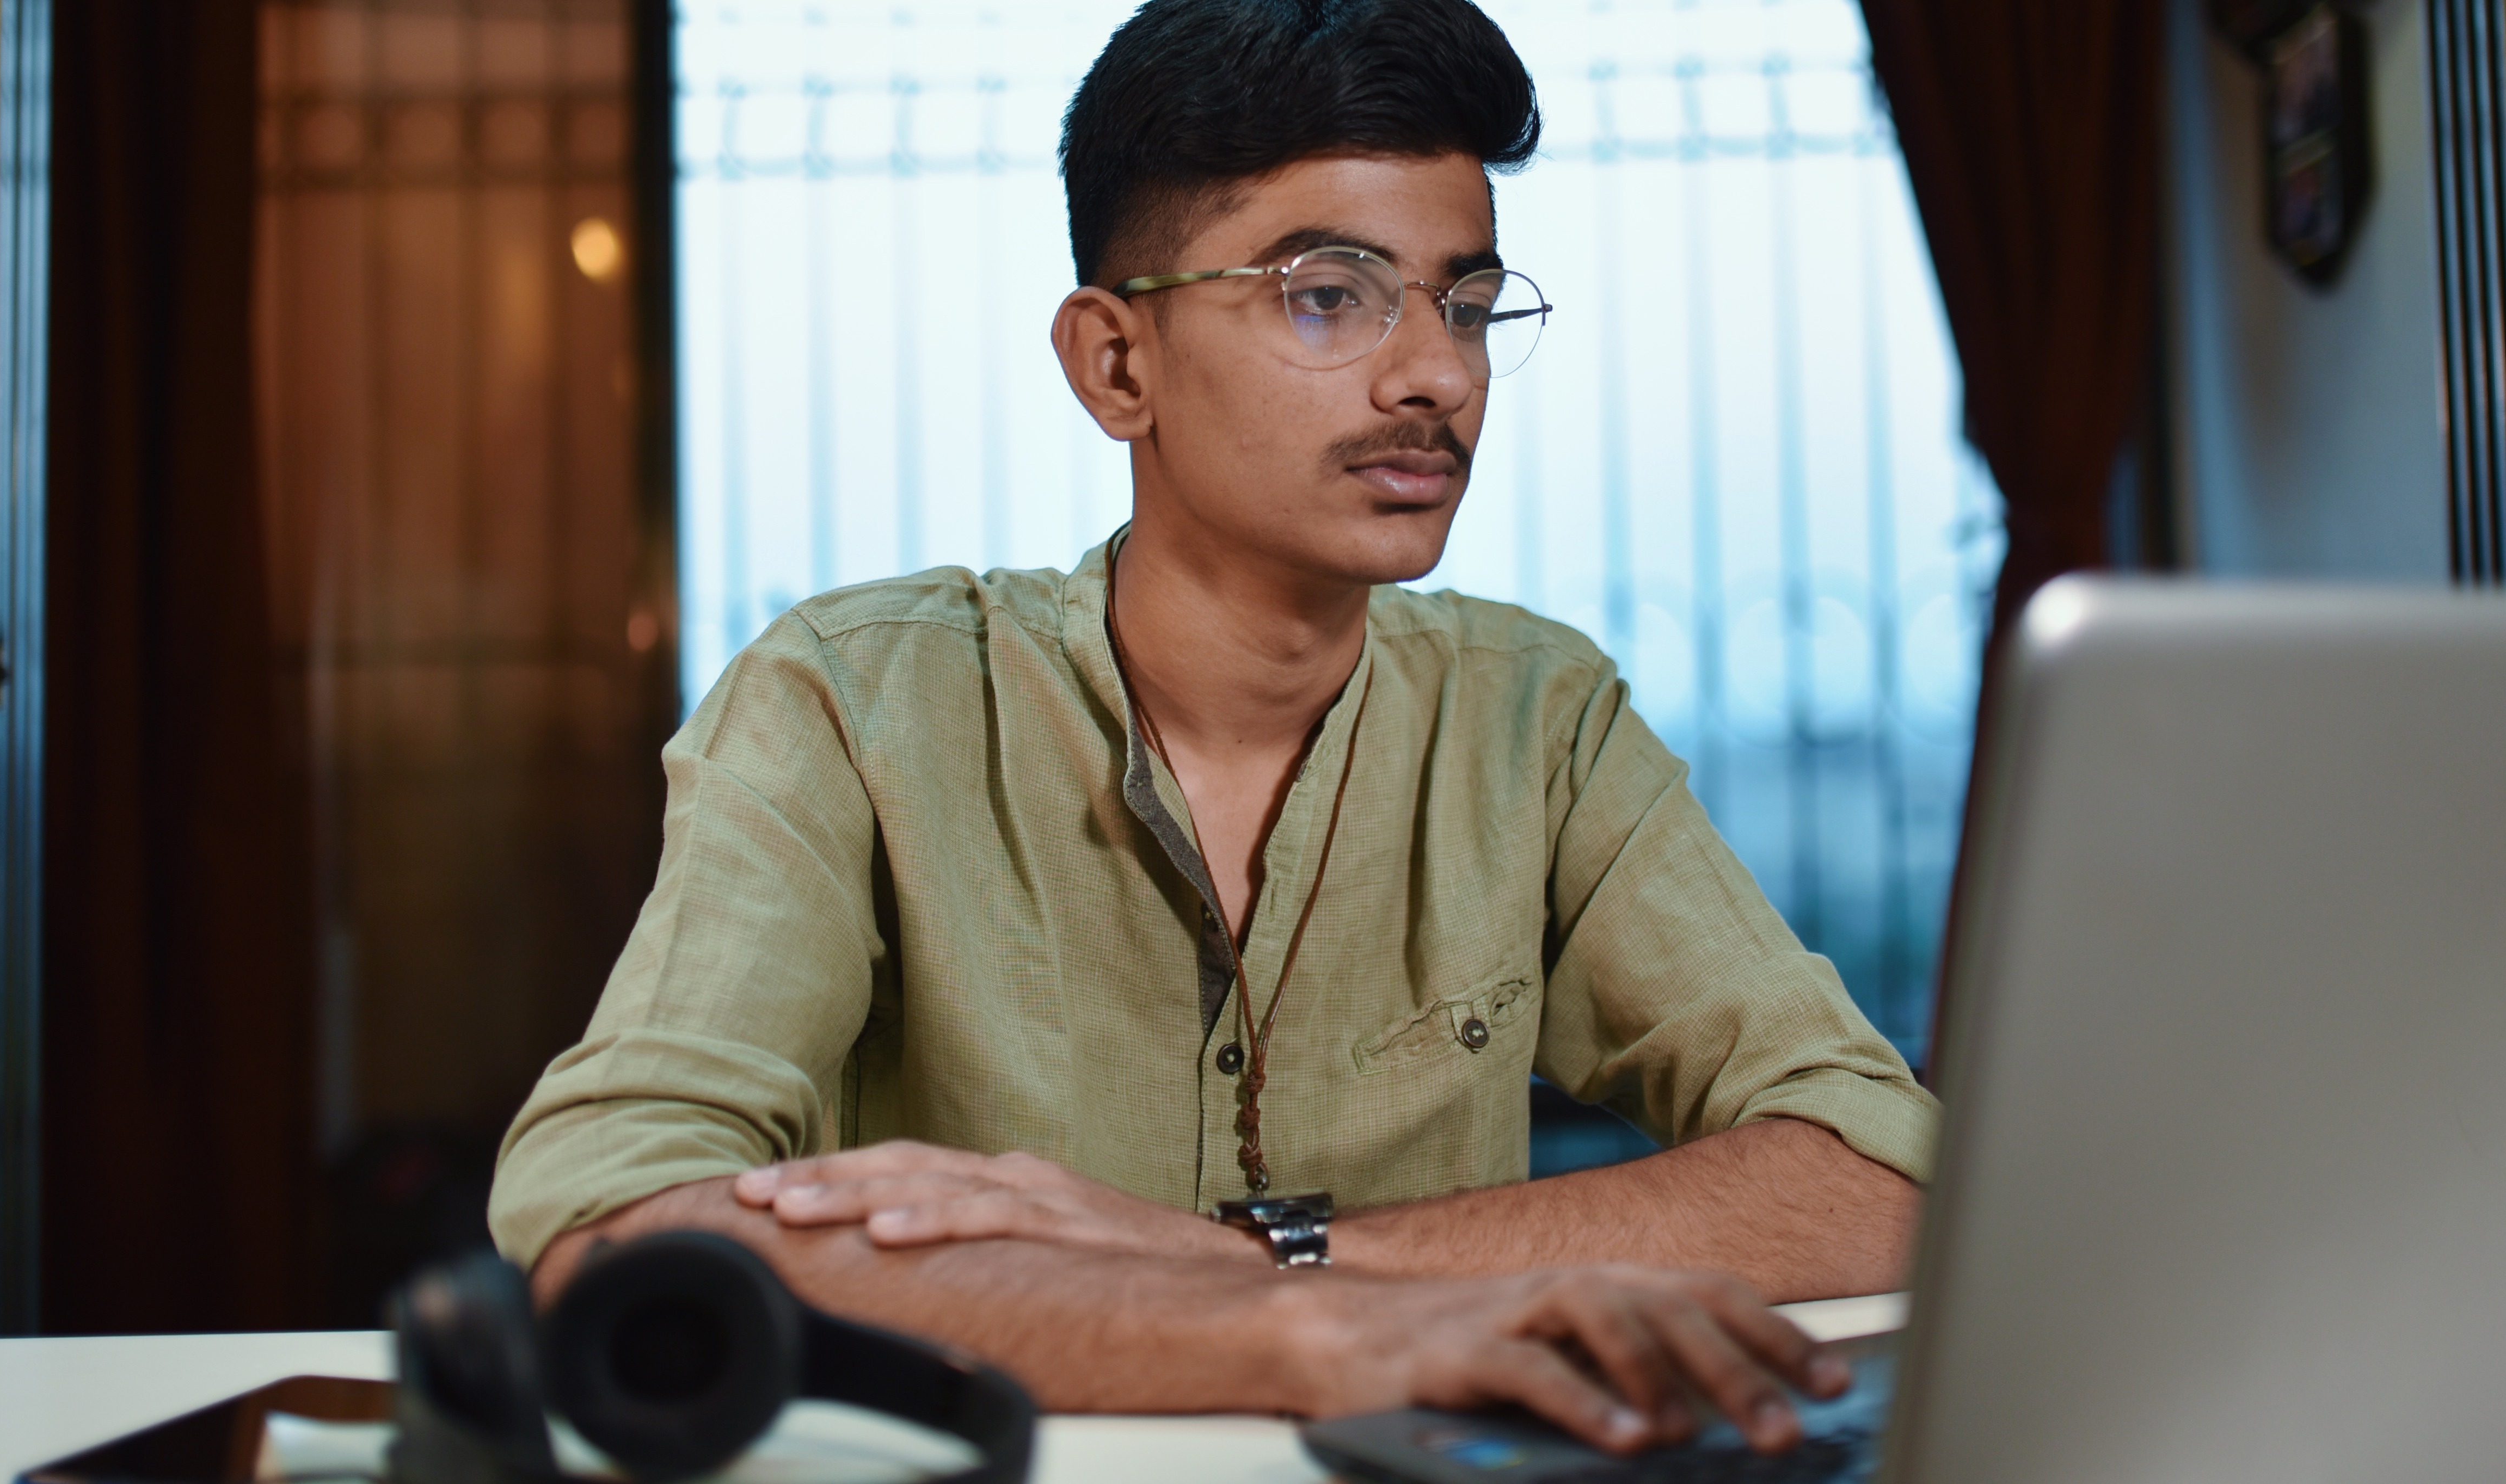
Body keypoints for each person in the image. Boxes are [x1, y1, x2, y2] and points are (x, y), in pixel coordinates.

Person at [489, 0, 1935, 1456]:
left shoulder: (1536, 720)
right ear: (1119, 364)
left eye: (1468, 303)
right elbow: (613, 1217)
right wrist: (1300, 1330)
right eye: (1330, 295)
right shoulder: (861, 701)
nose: (1434, 374)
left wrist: (1253, 1261)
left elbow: (1885, 1174)